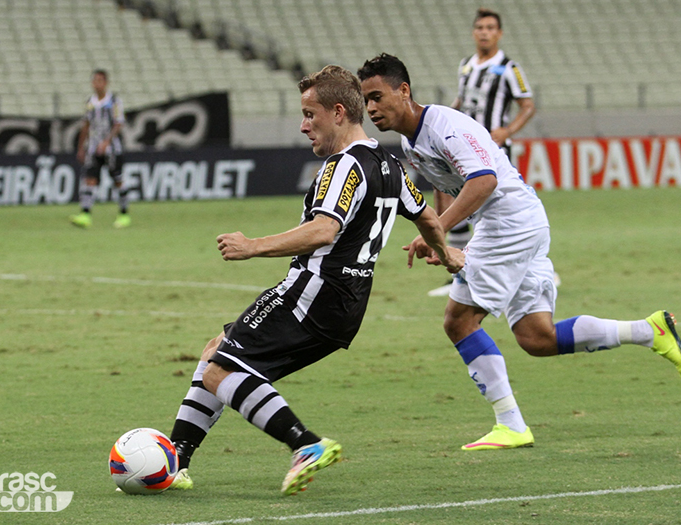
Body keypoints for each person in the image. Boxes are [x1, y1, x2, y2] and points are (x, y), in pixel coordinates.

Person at [357, 53, 681, 451]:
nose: (371, 108)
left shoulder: (446, 126)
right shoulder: (412, 140)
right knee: (537, 337)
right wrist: (438, 231)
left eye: (377, 96)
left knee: (458, 321)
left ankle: (510, 424)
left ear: (404, 90)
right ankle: (648, 330)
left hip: (507, 223)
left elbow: (483, 182)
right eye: (366, 101)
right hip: (520, 221)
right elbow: (445, 184)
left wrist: (438, 232)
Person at [166, 65, 463, 495]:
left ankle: (305, 444)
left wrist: (252, 246)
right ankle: (176, 458)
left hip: (312, 294)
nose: (304, 126)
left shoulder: (345, 167)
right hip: (347, 307)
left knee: (218, 371)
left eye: (310, 114)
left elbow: (325, 229)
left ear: (338, 112)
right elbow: (429, 218)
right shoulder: (390, 164)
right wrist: (445, 255)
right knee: (218, 350)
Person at [428, 8, 537, 297]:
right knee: (460, 204)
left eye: (490, 27)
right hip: (464, 151)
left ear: (499, 33)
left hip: (495, 152)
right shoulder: (466, 66)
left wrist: (507, 130)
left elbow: (528, 105)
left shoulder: (509, 68)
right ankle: (463, 270)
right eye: (480, 27)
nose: (485, 32)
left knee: (500, 211)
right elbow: (461, 101)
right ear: (474, 32)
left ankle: (526, 265)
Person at [70, 69, 130, 229]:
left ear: (105, 82)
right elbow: (86, 125)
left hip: (112, 149)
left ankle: (124, 214)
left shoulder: (115, 101)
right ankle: (85, 215)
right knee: (90, 180)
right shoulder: (90, 102)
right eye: (94, 80)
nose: (96, 83)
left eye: (99, 80)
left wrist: (107, 142)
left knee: (118, 180)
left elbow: (118, 123)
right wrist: (81, 147)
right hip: (93, 148)